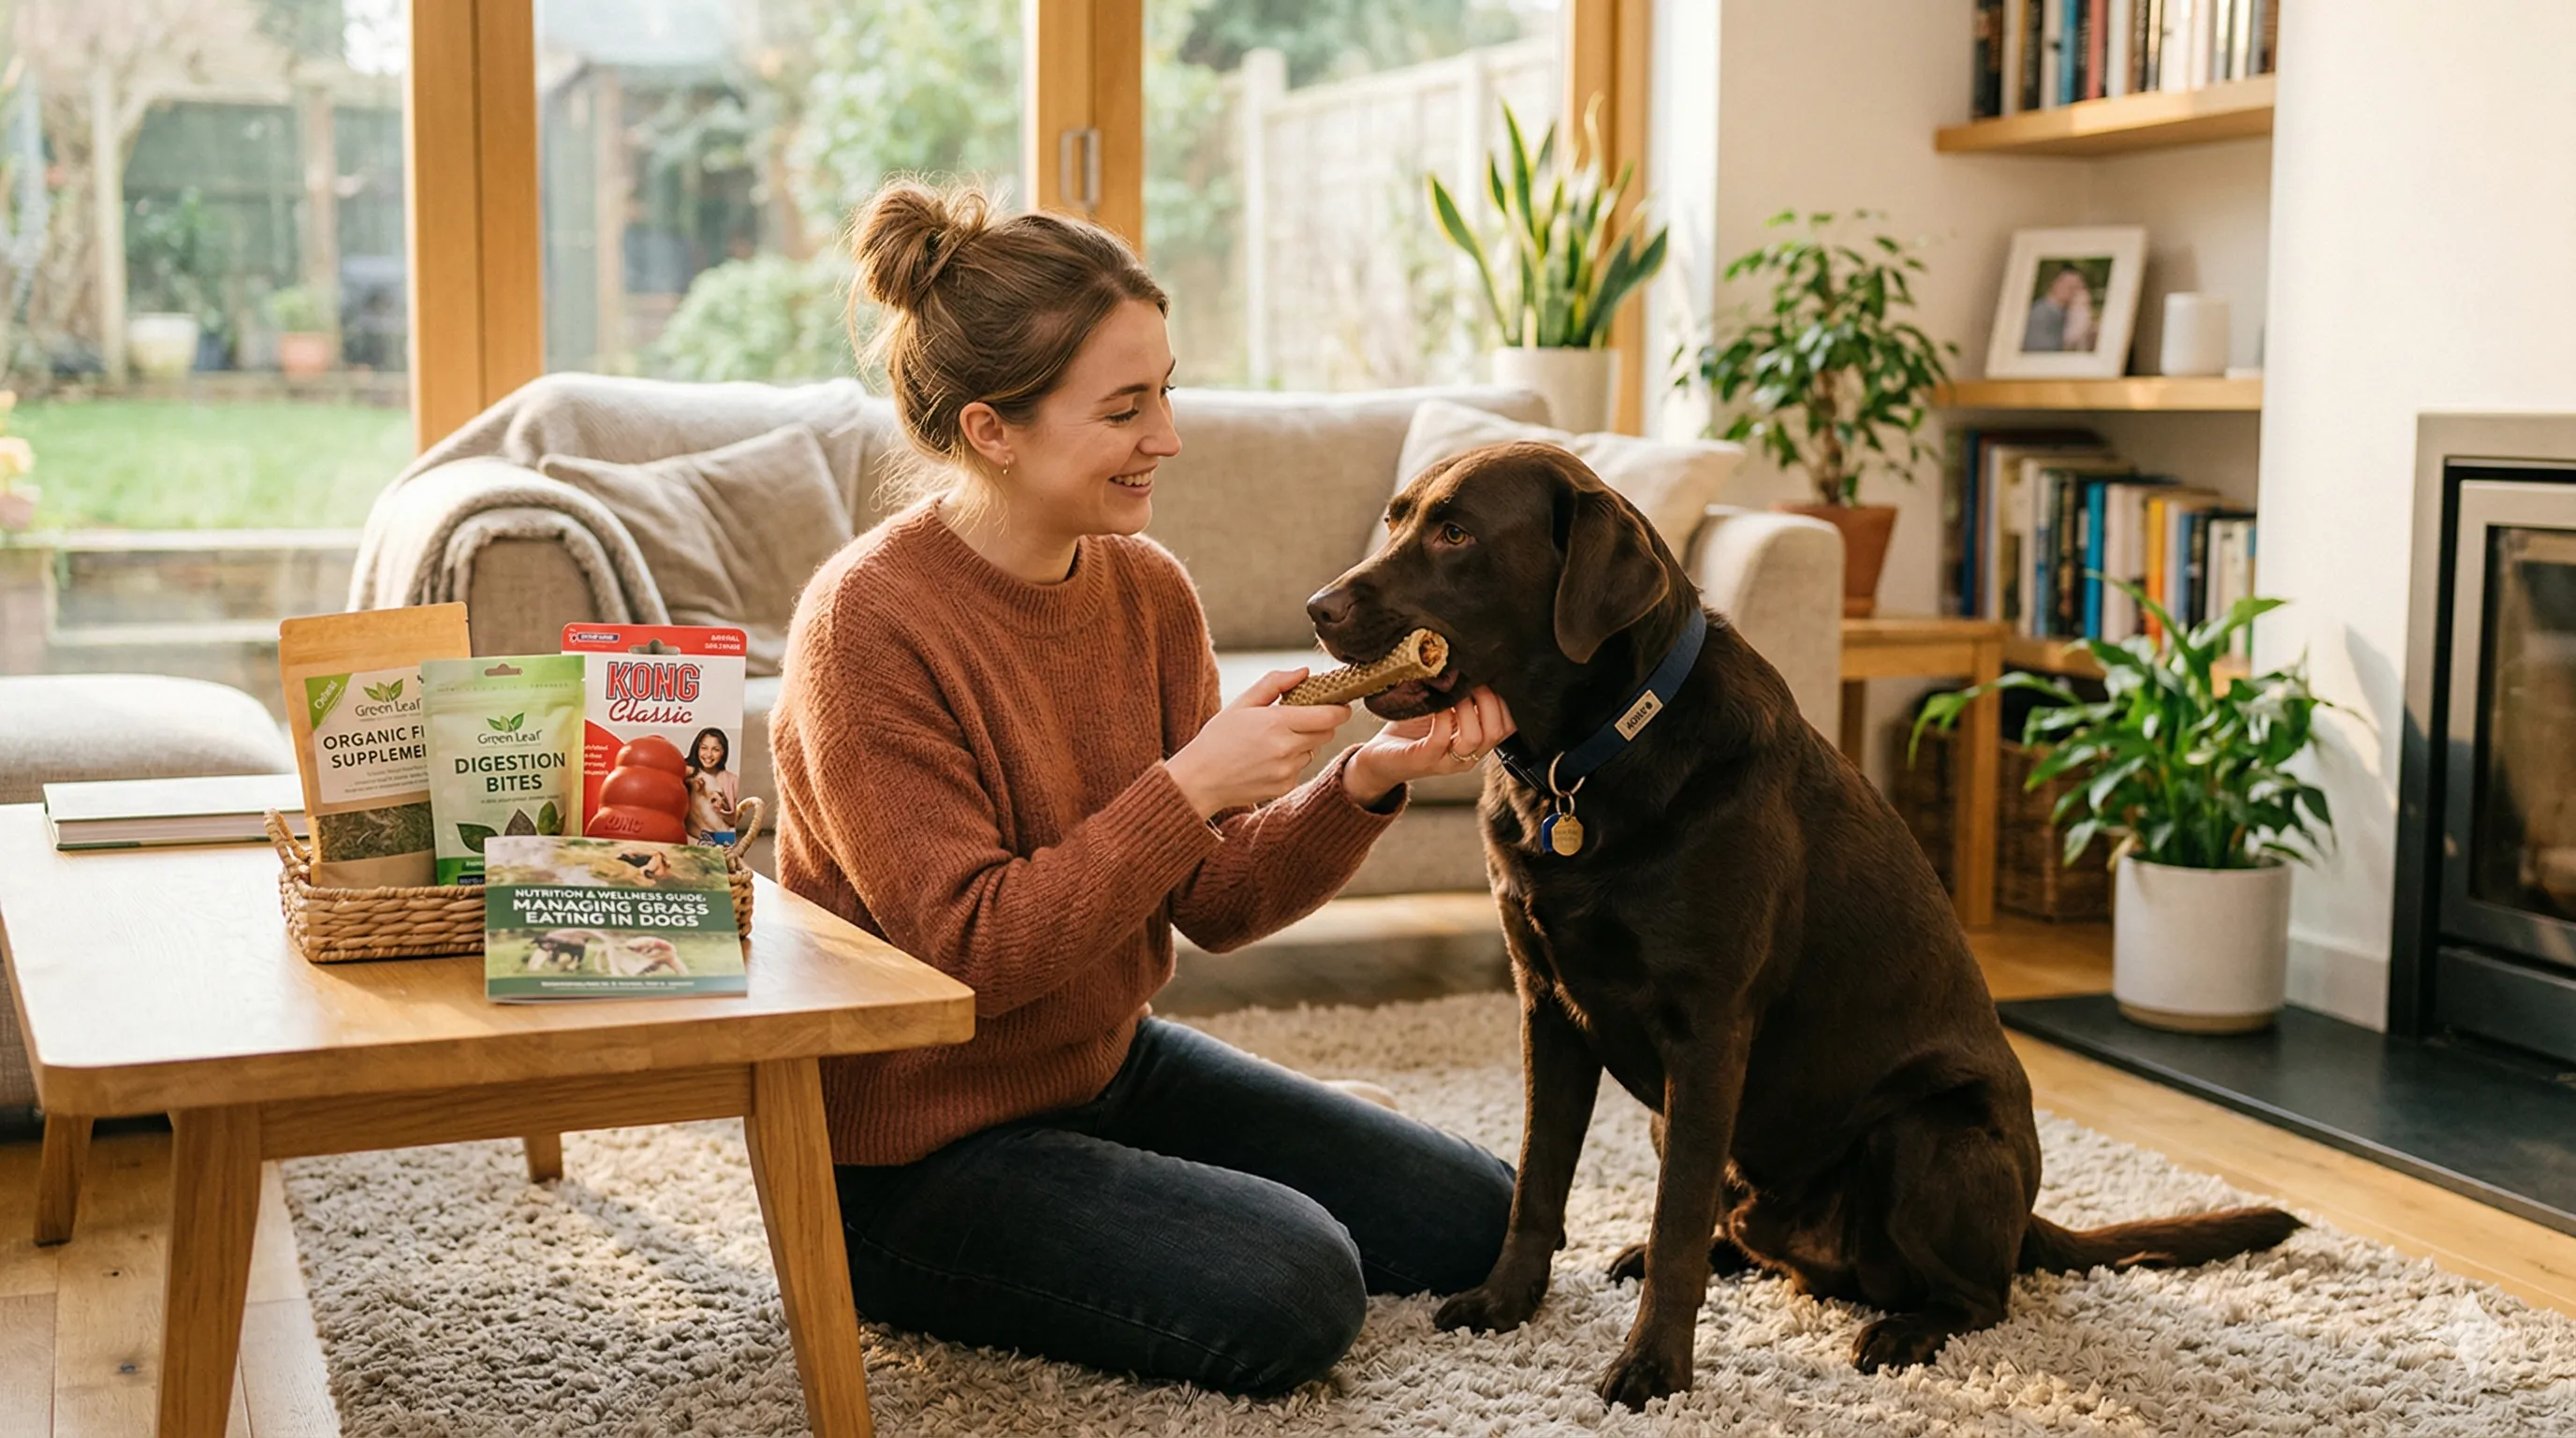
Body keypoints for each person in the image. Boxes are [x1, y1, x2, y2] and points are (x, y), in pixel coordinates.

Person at [766, 179, 1520, 1398]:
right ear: (991, 428)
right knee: (1298, 1286)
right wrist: (1187, 787)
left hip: (1103, 1066)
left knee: (1484, 1216)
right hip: (909, 1149)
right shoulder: (866, 626)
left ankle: (1182, 1185)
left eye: (1166, 389)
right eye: (1126, 407)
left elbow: (1214, 902)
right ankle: (965, 1246)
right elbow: (971, 955)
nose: (1169, 434)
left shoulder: (1146, 588)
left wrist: (1367, 781)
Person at [683, 726, 738, 843]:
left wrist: (723, 810)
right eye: (704, 748)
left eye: (715, 750)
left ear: (723, 752)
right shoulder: (688, 772)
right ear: (697, 748)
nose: (708, 755)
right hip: (690, 836)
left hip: (721, 838)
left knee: (731, 838)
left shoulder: (732, 780)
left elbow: (736, 822)